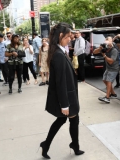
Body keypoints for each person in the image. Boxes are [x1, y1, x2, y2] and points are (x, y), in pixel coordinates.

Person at [39, 23, 84, 159]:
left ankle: (50, 144)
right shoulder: (58, 54)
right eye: (68, 36)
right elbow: (60, 82)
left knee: (65, 120)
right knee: (70, 119)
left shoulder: (59, 51)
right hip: (67, 97)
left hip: (68, 94)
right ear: (60, 36)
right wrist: (64, 104)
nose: (70, 38)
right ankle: (73, 146)